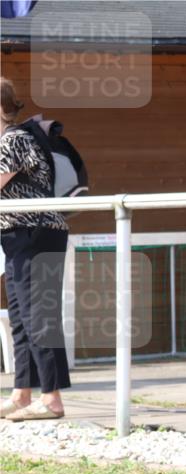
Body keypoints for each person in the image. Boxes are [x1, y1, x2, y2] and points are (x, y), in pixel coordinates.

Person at [0, 76, 71, 421]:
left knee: (37, 314)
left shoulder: (12, 140)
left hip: (34, 233)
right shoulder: (13, 139)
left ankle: (52, 398)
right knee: (20, 317)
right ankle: (22, 393)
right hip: (20, 235)